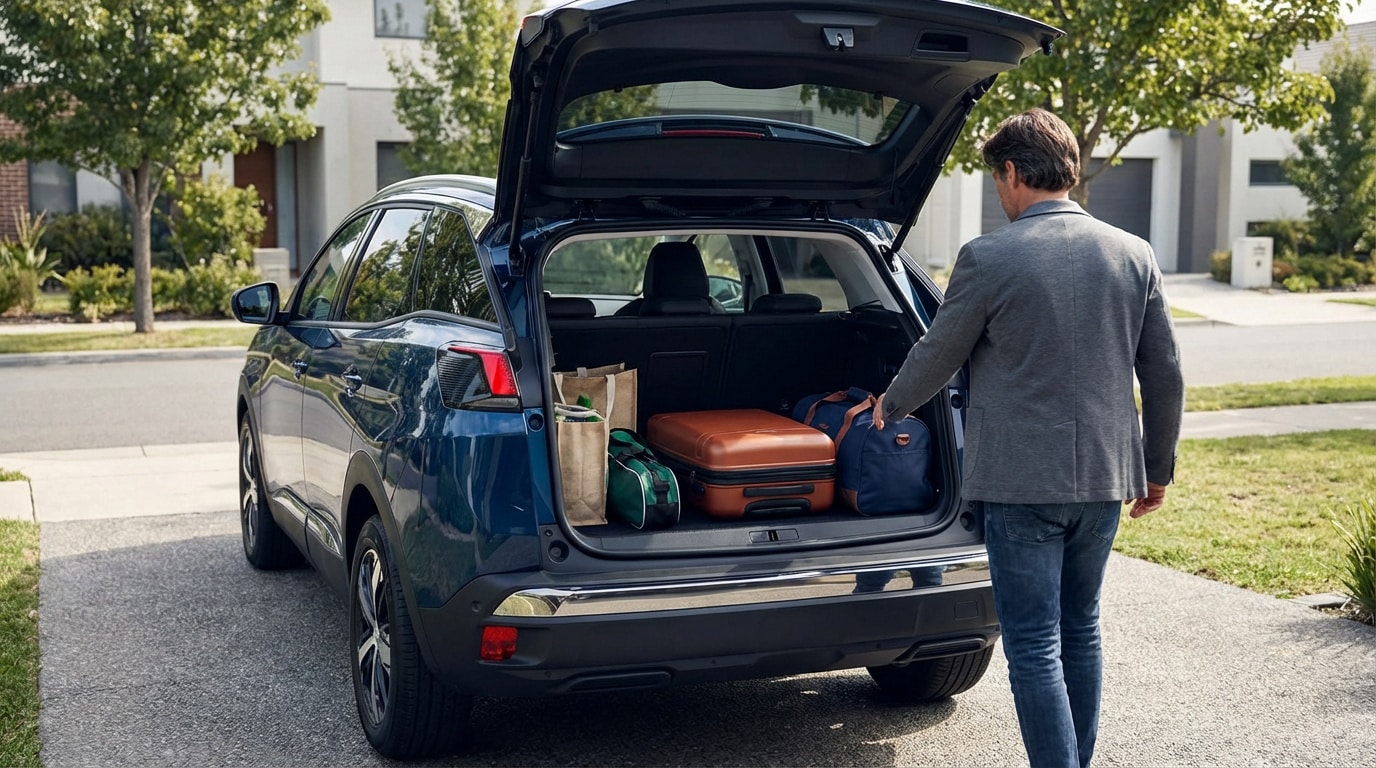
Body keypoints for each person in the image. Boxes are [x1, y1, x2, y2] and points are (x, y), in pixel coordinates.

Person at [874, 108, 1184, 768]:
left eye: (997, 178)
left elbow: (939, 353)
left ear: (1013, 172)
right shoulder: (1135, 255)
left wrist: (891, 405)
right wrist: (1157, 469)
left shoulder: (989, 257)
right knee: (1081, 628)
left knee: (1035, 643)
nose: (999, 191)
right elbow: (1166, 376)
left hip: (1021, 486)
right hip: (1105, 481)